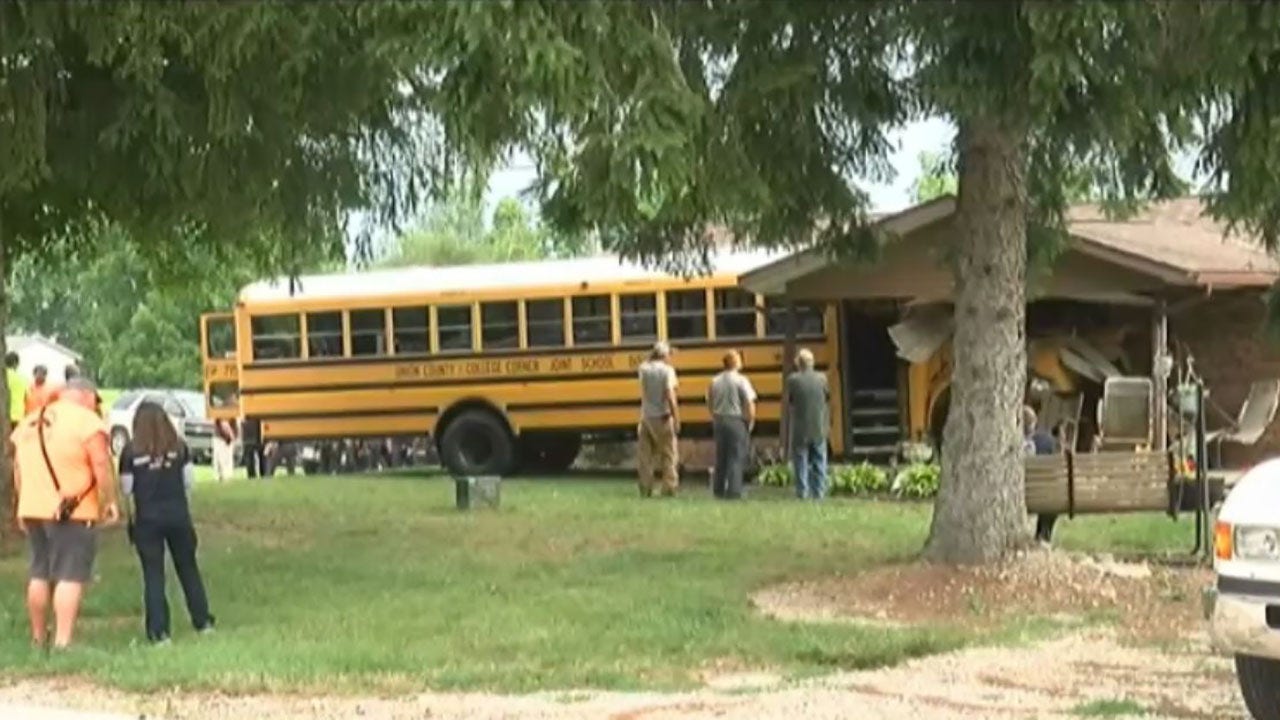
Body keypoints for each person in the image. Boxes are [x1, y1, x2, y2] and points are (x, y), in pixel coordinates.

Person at [11, 378, 120, 649]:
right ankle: (63, 641)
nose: (96, 405)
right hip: (72, 510)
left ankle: (38, 638)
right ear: (85, 396)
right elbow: (100, 463)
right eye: (95, 399)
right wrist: (108, 501)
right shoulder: (87, 422)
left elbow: (18, 470)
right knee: (69, 575)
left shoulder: (30, 421)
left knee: (39, 573)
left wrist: (22, 504)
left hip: (33, 508)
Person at [119, 401, 215, 643]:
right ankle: (202, 621)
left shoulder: (131, 452)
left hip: (148, 519)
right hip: (178, 516)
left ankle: (159, 632)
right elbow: (188, 483)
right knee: (188, 568)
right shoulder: (179, 448)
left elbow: (127, 489)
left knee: (153, 575)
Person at [707, 350, 757, 500]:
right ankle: (734, 491)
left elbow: (709, 401)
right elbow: (749, 403)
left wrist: (714, 415)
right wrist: (750, 420)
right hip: (736, 420)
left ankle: (718, 489)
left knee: (721, 456)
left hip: (719, 420)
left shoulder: (714, 381)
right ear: (736, 363)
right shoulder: (741, 380)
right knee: (735, 456)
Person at [636, 342, 681, 497]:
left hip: (646, 416)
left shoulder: (643, 369)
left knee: (645, 456)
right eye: (669, 355)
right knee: (668, 455)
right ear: (664, 355)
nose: (670, 358)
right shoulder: (668, 371)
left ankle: (645, 487)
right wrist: (676, 417)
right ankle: (669, 487)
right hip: (662, 417)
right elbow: (670, 395)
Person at [786, 348, 831, 500]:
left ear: (798, 363)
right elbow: (827, 398)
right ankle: (819, 492)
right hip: (818, 425)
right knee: (819, 460)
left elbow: (790, 401)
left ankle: (802, 492)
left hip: (800, 427)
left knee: (801, 461)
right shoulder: (822, 378)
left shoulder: (793, 380)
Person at [1024, 405, 1061, 543]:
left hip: (1021, 493)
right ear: (1034, 423)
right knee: (1052, 501)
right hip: (1042, 494)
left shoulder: (1012, 443)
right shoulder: (1047, 440)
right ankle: (1043, 536)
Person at [212, 417, 237, 483]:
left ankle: (227, 475)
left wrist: (231, 437)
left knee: (227, 458)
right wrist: (226, 436)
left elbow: (234, 423)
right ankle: (219, 475)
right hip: (219, 438)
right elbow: (217, 423)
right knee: (219, 458)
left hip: (228, 437)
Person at [6, 352, 26, 428]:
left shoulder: (3, 378)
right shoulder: (23, 378)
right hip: (18, 416)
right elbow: (27, 397)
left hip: (4, 416)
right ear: (16, 364)